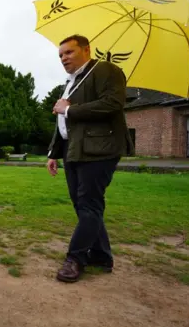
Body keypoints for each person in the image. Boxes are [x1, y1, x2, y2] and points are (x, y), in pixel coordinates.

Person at [46, 34, 134, 283]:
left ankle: (76, 258)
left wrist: (69, 108)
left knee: (89, 205)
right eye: (61, 55)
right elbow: (64, 123)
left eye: (69, 52)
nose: (64, 58)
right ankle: (101, 255)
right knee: (83, 207)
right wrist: (54, 153)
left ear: (86, 50)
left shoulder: (106, 70)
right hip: (74, 151)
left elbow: (112, 104)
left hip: (100, 150)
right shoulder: (72, 81)